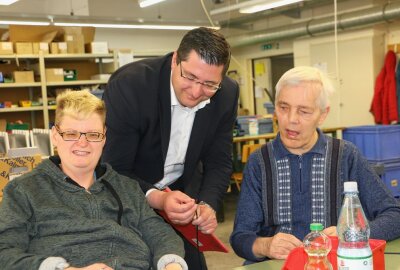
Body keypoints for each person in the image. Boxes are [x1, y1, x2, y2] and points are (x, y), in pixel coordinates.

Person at [0, 90, 187, 270]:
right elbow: (5, 253)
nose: (83, 143)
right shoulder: (23, 191)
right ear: (55, 136)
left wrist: (171, 264)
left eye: (93, 135)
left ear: (104, 137)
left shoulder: (127, 188)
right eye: (71, 134)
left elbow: (159, 233)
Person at [230, 66, 400, 264]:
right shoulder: (259, 161)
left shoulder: (345, 156)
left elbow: (395, 215)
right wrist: (265, 246)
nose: (291, 120)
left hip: (332, 263)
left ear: (322, 115)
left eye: (303, 111)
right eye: (283, 108)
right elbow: (240, 237)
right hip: (275, 265)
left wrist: (349, 234)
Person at [102, 27, 239, 269]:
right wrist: (159, 199)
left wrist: (207, 205)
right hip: (129, 200)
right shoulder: (131, 86)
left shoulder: (227, 94)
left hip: (183, 201)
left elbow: (219, 161)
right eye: (190, 77)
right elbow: (113, 169)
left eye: (209, 84)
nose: (197, 92)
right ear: (175, 59)